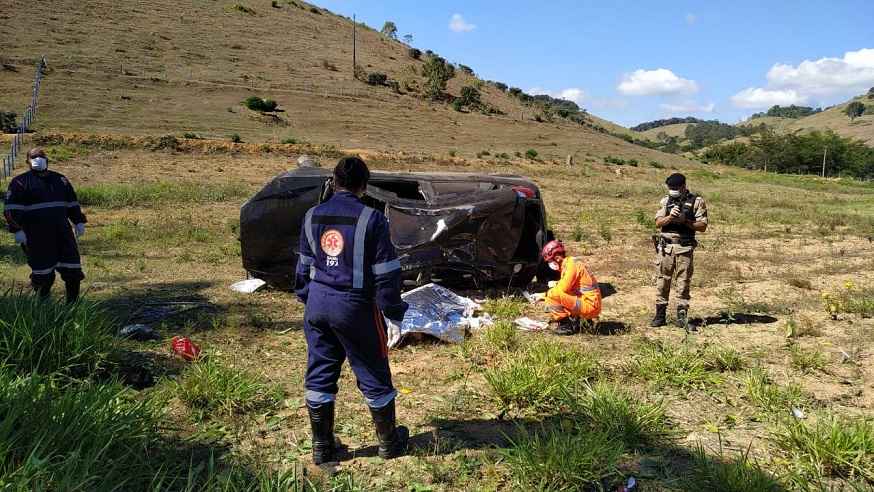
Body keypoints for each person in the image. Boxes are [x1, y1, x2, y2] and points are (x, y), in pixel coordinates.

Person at [294, 155, 409, 465]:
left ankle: (322, 447)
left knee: (319, 372)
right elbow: (386, 273)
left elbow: (303, 267)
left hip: (318, 304)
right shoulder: (372, 219)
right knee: (372, 372)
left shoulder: (312, 216)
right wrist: (393, 310)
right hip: (355, 307)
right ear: (363, 186)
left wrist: (311, 300)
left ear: (334, 182)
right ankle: (389, 443)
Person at [3, 148, 87, 303]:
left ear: (47, 159)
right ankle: (44, 306)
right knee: (43, 274)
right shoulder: (20, 182)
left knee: (73, 269)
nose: (38, 159)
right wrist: (17, 230)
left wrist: (78, 221)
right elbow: (11, 209)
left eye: (41, 156)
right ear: (27, 161)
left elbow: (72, 202)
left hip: (63, 232)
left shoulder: (60, 180)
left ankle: (72, 306)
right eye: (34, 157)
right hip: (36, 235)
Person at [651, 173, 708, 329]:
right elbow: (658, 222)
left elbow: (702, 226)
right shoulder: (666, 200)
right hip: (666, 248)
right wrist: (670, 217)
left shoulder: (697, 201)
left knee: (683, 283)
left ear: (684, 186)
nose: (673, 191)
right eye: (671, 189)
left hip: (684, 248)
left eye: (676, 188)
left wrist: (686, 221)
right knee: (662, 281)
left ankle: (681, 318)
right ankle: (660, 316)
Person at [537, 240, 602, 335]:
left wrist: (545, 295)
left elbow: (562, 289)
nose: (550, 264)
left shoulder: (571, 265)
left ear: (557, 257)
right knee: (555, 293)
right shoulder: (569, 264)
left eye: (550, 261)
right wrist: (542, 295)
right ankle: (584, 322)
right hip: (590, 303)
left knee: (552, 294)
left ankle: (565, 325)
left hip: (590, 306)